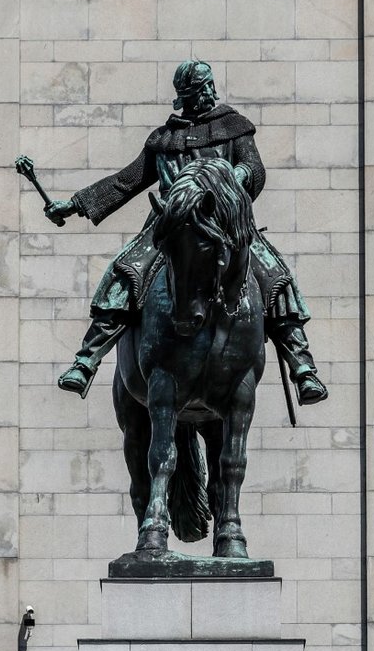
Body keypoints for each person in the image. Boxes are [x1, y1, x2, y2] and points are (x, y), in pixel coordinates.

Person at [18, 59, 328, 405]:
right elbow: (126, 182)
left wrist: (230, 181)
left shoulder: (234, 126)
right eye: (202, 88)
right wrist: (75, 204)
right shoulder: (164, 139)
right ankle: (87, 359)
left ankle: (302, 365)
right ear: (187, 96)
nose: (210, 92)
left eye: (211, 85)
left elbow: (253, 167)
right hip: (170, 225)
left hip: (225, 222)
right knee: (125, 273)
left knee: (274, 274)